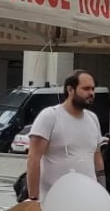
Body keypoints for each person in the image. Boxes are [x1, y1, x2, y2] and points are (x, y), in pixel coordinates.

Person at [25, 70, 104, 204]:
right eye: (85, 88)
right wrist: (33, 198)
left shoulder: (93, 118)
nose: (91, 93)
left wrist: (103, 192)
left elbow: (97, 158)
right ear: (70, 90)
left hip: (87, 201)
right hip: (54, 201)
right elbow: (33, 158)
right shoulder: (50, 116)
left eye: (92, 89)